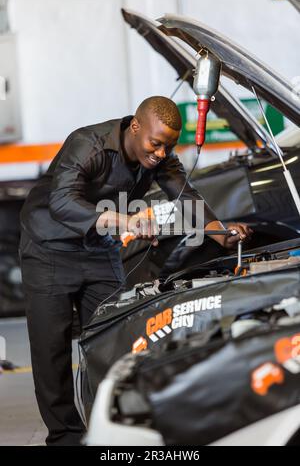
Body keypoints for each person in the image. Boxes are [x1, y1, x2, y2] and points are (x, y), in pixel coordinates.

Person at [19, 96, 252, 446]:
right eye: (155, 144)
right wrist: (123, 220)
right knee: (51, 349)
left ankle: (113, 427)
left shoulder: (161, 158)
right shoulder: (88, 144)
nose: (160, 153)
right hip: (49, 249)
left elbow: (185, 195)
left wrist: (220, 233)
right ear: (135, 126)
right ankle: (65, 437)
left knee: (117, 336)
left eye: (168, 146)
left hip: (99, 251)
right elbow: (62, 201)